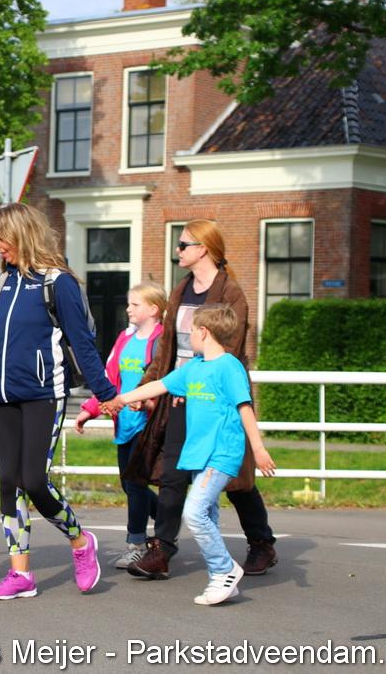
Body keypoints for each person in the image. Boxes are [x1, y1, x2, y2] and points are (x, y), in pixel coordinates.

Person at [0, 203, 116, 600]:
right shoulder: (4, 282)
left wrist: (105, 394)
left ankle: (80, 541)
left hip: (43, 395)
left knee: (34, 481)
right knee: (9, 484)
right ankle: (21, 575)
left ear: (22, 234)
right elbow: (3, 338)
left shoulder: (58, 282)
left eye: (1, 237)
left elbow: (81, 343)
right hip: (3, 396)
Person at [124, 219, 279, 580]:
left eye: (183, 245)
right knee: (173, 473)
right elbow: (166, 349)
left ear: (203, 249)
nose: (177, 251)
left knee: (234, 480)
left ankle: (261, 542)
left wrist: (197, 387)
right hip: (179, 398)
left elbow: (228, 353)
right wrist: (148, 389)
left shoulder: (232, 294)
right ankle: (162, 550)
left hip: (213, 400)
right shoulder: (180, 291)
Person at [102, 303, 276, 605]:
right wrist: (121, 399)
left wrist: (259, 449)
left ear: (204, 332)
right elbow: (159, 385)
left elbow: (245, 407)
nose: (189, 335)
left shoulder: (229, 366)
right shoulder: (194, 367)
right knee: (207, 515)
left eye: (192, 330)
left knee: (194, 512)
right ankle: (220, 580)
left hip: (221, 453)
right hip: (196, 454)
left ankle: (224, 570)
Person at [75, 282, 166, 569]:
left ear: (154, 309)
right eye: (128, 303)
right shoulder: (124, 338)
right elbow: (108, 377)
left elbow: (167, 381)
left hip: (146, 425)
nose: (128, 309)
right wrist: (90, 410)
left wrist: (149, 403)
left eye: (135, 304)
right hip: (123, 422)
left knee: (136, 484)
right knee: (128, 485)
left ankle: (136, 544)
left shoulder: (163, 341)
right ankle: (168, 519)